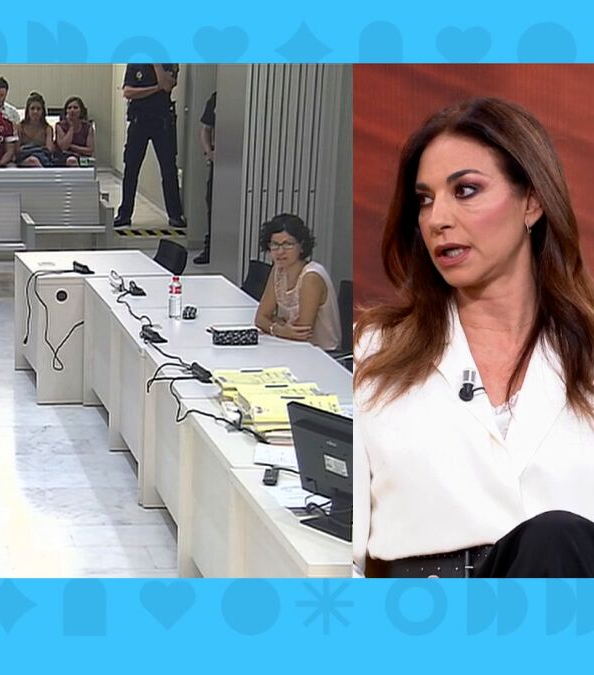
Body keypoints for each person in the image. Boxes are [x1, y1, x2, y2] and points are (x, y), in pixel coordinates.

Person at [354, 98, 594, 578]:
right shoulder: (374, 350)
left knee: (554, 537)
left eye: (465, 190)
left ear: (532, 202)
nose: (437, 218)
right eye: (425, 200)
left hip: (566, 589)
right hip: (423, 614)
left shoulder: (585, 350)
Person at [252, 214, 341, 351]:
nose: (280, 251)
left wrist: (274, 324)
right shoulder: (278, 270)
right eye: (275, 244)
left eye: (288, 244)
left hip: (321, 353)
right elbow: (260, 318)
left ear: (302, 246)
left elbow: (301, 333)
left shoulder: (311, 277)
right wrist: (280, 329)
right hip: (291, 347)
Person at [114, 63, 186, 230]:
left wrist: (156, 65)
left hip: (162, 122)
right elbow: (128, 92)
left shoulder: (169, 62)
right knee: (131, 169)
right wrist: (155, 88)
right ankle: (124, 214)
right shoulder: (135, 63)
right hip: (139, 121)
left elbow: (167, 85)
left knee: (169, 169)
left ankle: (175, 215)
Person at [193, 91, 216, 265]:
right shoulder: (216, 98)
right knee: (212, 203)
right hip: (218, 160)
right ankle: (210, 248)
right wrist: (209, 152)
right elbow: (206, 129)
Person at [54, 95, 95, 167]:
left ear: (81, 111)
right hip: (63, 157)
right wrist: (71, 127)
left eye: (75, 108)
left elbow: (90, 150)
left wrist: (72, 147)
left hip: (82, 158)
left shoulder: (87, 127)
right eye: (69, 108)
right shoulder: (60, 126)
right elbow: (63, 147)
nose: (72, 110)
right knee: (71, 160)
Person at [16, 92, 54, 167]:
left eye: (38, 109)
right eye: (32, 108)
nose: (35, 112)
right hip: (23, 160)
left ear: (43, 111)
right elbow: (17, 150)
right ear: (28, 110)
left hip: (43, 159)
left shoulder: (47, 128)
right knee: (33, 161)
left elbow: (49, 150)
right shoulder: (20, 127)